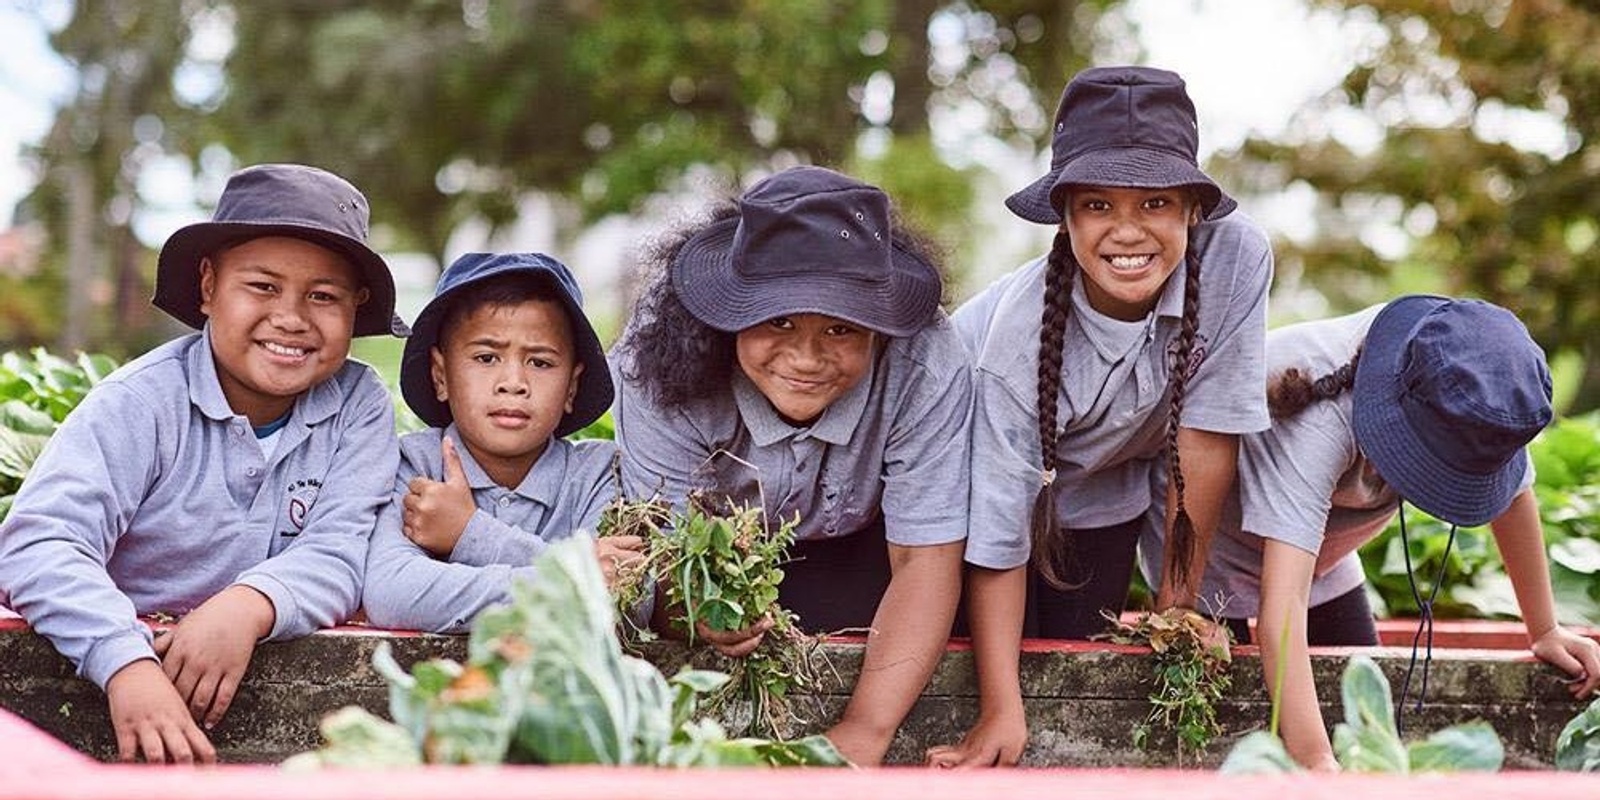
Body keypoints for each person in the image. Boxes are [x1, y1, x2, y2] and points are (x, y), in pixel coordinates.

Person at [0, 163, 407, 764]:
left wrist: (249, 605)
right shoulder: (140, 403)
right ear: (209, 287)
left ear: (356, 307)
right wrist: (125, 663)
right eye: (262, 287)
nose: (292, 318)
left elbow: (344, 550)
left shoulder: (359, 404)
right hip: (125, 704)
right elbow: (39, 542)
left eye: (323, 296)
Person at [927, 65, 1274, 768]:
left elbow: (1205, 437)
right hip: (953, 506)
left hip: (1098, 497)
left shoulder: (1237, 260)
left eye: (1154, 202)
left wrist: (1180, 608)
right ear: (1065, 215)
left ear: (1192, 210)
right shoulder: (1013, 343)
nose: (1127, 231)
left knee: (1079, 682)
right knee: (975, 683)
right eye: (1096, 205)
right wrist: (1000, 705)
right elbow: (995, 531)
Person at [611, 165, 971, 765]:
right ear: (729, 313)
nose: (806, 358)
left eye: (840, 327)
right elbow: (662, 555)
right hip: (723, 560)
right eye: (778, 320)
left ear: (878, 329)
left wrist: (863, 734)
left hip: (871, 554)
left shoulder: (926, 360)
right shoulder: (654, 362)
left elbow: (924, 560)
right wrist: (696, 612)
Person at [1150, 295, 1600, 770]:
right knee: (1228, 721)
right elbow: (1282, 618)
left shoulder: (1479, 398)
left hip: (1323, 549)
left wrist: (1545, 629)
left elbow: (1515, 496)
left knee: (1362, 694)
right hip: (1213, 549)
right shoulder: (1322, 421)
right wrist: (1321, 765)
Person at [362, 251, 634, 632]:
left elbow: (629, 593)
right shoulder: (414, 466)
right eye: (487, 357)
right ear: (440, 376)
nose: (513, 383)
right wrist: (575, 577)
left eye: (540, 362)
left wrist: (468, 533)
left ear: (572, 386)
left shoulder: (599, 475)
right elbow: (391, 593)